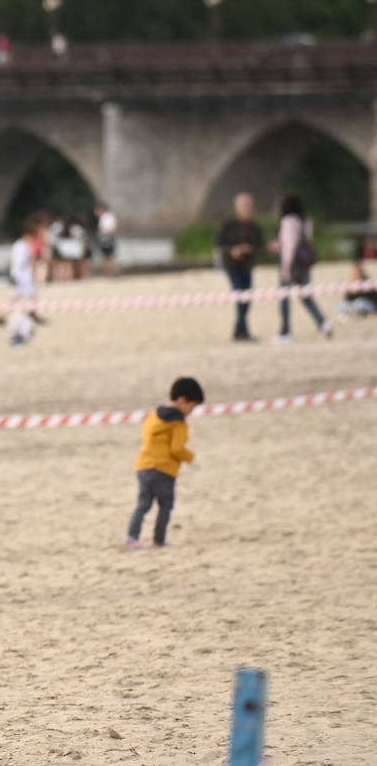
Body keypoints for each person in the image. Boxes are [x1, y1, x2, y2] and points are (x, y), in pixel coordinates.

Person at [125, 377, 205, 550]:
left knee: (143, 503)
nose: (191, 411)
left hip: (143, 465)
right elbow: (176, 449)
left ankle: (132, 538)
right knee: (166, 504)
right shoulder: (178, 422)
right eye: (192, 406)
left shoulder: (154, 416)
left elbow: (146, 437)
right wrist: (190, 457)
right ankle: (159, 540)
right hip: (163, 469)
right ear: (183, 400)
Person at [272, 193, 332, 343]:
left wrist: (286, 268)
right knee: (306, 295)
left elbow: (290, 247)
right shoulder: (306, 221)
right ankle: (323, 323)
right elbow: (304, 241)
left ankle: (285, 332)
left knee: (284, 298)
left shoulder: (288, 221)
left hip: (292, 263)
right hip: (304, 263)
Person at [214, 192, 264, 342]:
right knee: (240, 295)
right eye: (244, 205)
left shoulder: (255, 226)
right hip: (232, 266)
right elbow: (220, 243)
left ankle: (239, 330)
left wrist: (249, 249)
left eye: (249, 205)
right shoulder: (229, 225)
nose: (247, 208)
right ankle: (243, 331)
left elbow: (259, 245)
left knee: (246, 298)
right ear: (237, 207)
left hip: (247, 266)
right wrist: (232, 251)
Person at [3, 215, 46, 346]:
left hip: (18, 275)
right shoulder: (25, 245)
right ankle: (31, 314)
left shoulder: (18, 244)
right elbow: (28, 261)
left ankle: (6, 315)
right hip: (23, 276)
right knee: (26, 297)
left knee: (18, 297)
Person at [95, 202, 118, 276]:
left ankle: (112, 274)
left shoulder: (108, 217)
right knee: (106, 258)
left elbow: (113, 229)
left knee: (107, 258)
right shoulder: (103, 218)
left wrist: (105, 234)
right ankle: (110, 274)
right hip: (104, 239)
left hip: (107, 239)